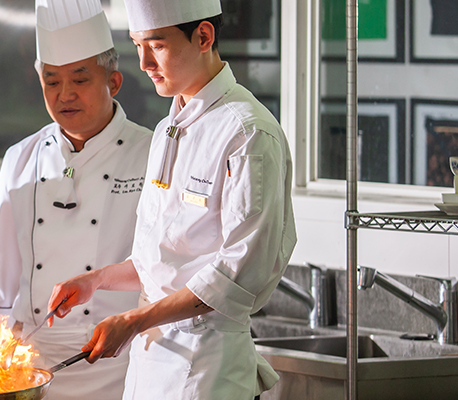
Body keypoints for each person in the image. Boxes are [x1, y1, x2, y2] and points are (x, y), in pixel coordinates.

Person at [47, 0, 297, 398]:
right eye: (137, 44)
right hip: (150, 368)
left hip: (208, 370)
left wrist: (135, 319)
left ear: (203, 36)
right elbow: (164, 259)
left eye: (156, 45)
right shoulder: (168, 129)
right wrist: (96, 280)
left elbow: (235, 278)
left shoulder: (247, 133)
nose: (143, 62)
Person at [0, 0, 152, 398]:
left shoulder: (151, 155)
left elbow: (161, 268)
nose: (65, 94)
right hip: (29, 368)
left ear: (114, 82)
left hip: (115, 365)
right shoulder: (20, 158)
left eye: (80, 80)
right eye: (52, 82)